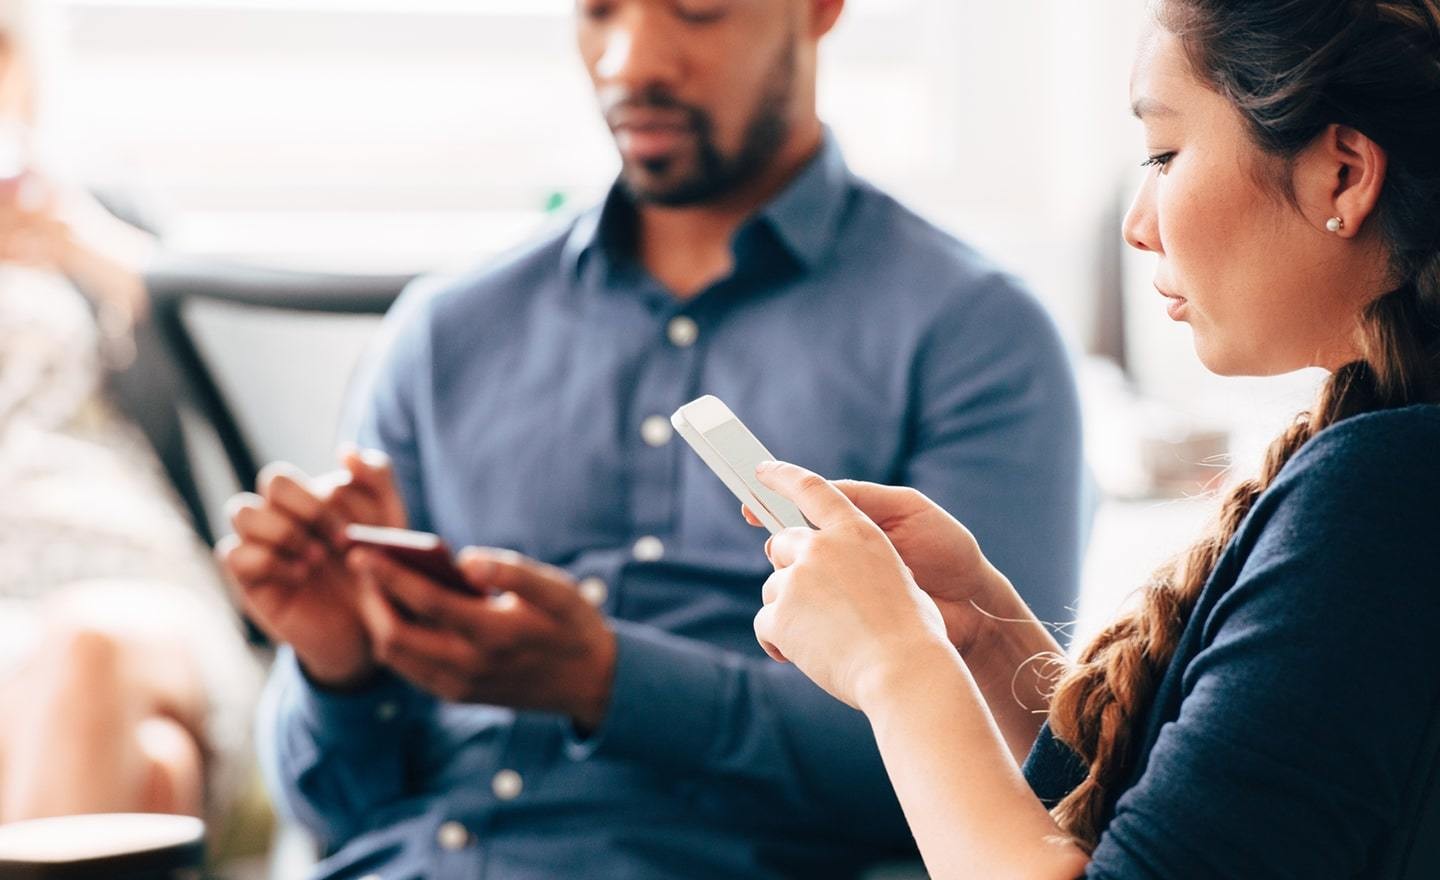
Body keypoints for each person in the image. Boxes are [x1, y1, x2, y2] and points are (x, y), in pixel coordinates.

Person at [220, 0, 1084, 877]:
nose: (631, 61)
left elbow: (1007, 771)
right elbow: (327, 805)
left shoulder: (976, 336)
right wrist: (339, 665)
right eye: (598, 10)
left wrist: (608, 680)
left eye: (697, 11)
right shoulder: (443, 333)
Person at [745, 0, 1440, 877]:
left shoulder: (1385, 493)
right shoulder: (1387, 468)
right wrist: (982, 632)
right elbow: (1196, 826)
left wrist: (896, 666)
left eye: (1164, 154)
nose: (1137, 222)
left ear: (1341, 174)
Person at [0, 0, 261, 832]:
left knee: (87, 648)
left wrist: (80, 242)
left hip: (127, 580)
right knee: (154, 773)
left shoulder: (95, 216)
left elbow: (237, 357)